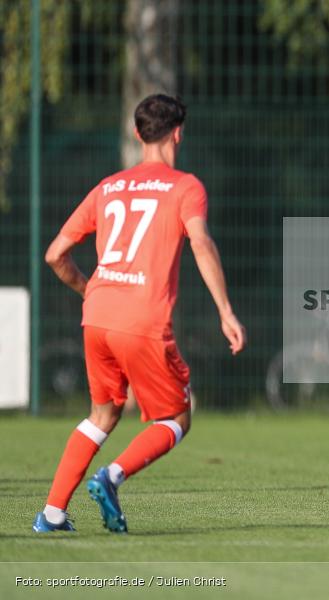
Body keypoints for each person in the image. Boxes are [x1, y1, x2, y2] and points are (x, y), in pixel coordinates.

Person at [33, 94, 246, 533]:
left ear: (137, 133)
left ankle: (52, 514)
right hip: (142, 320)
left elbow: (55, 254)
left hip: (96, 316)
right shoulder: (186, 186)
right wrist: (225, 310)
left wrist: (88, 288)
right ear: (178, 133)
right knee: (177, 417)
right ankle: (111, 476)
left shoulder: (107, 186)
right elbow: (201, 243)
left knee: (103, 414)